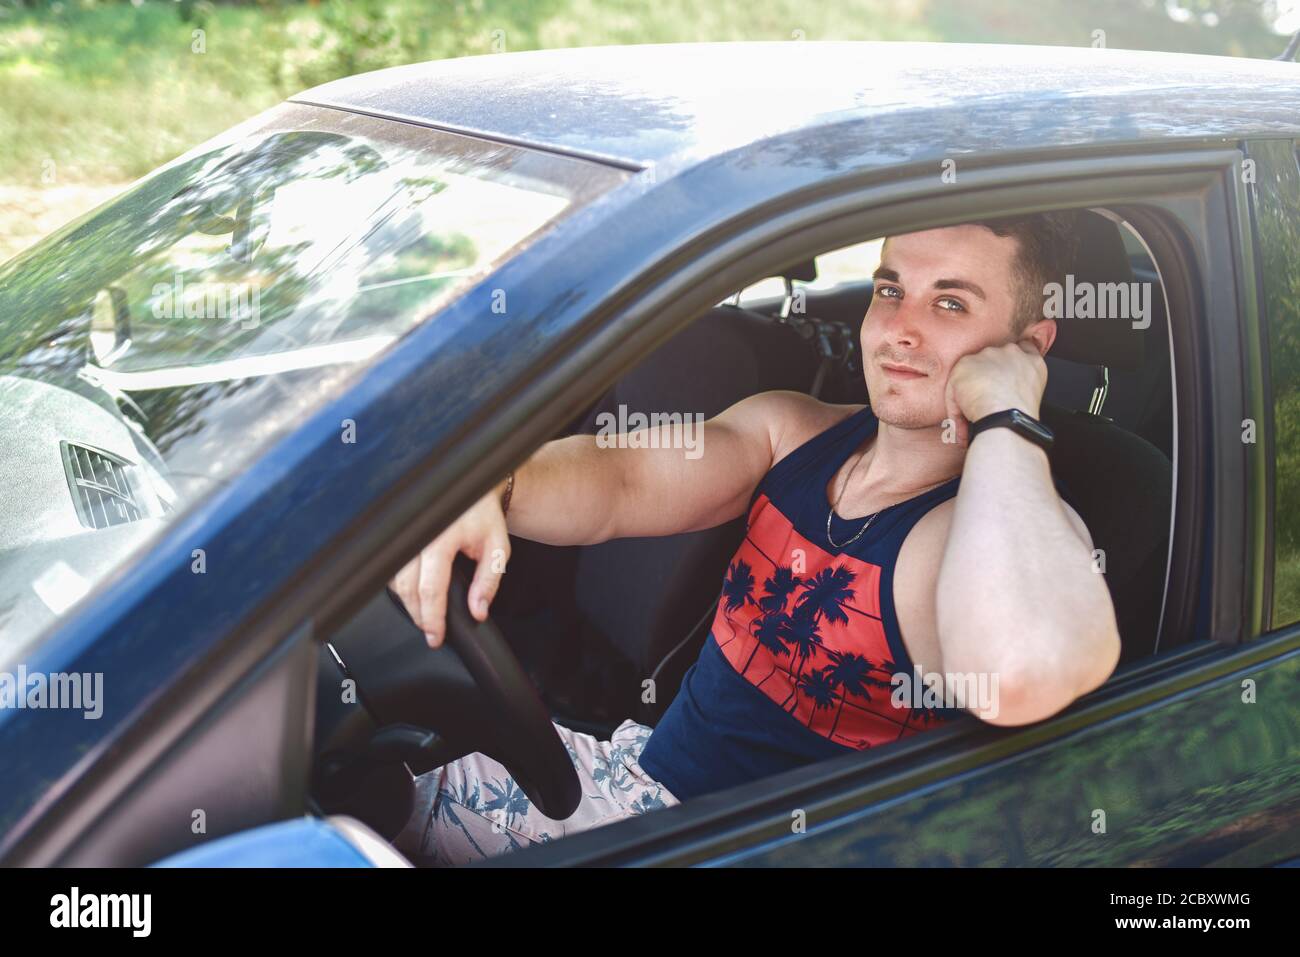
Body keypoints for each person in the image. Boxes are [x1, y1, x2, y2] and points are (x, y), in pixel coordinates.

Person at [388, 212, 1122, 865]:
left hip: (726, 845)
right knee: (369, 786)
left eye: (951, 303)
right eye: (890, 288)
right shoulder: (791, 431)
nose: (901, 326)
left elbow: (1025, 668)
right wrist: (493, 485)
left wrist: (1007, 416)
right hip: (637, 782)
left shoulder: (978, 532)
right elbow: (622, 479)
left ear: (1027, 346)